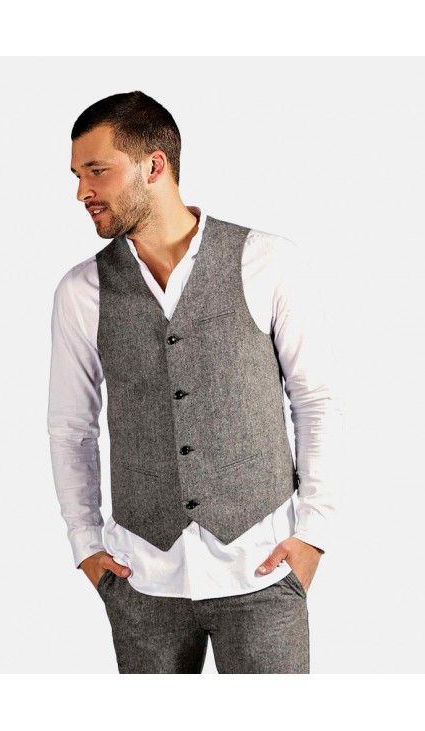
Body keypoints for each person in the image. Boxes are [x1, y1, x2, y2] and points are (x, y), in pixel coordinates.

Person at [47, 90, 344, 674]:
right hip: (141, 580)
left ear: (154, 165)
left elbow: (316, 401)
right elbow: (70, 428)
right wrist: (86, 546)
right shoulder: (81, 291)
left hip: (262, 570)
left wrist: (313, 534)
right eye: (78, 175)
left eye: (97, 171)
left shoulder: (268, 261)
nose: (83, 192)